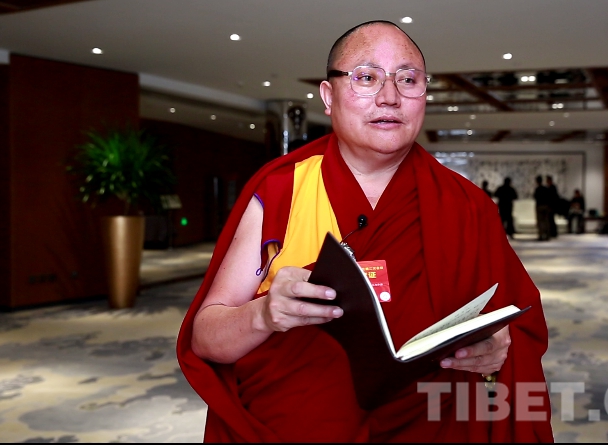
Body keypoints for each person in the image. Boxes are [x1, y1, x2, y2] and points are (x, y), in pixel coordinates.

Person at [177, 21, 552, 443]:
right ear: (328, 95)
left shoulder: (465, 205)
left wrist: (498, 350)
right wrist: (262, 314)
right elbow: (206, 338)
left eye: (408, 80)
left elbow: (517, 330)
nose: (390, 96)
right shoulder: (282, 190)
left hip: (429, 426)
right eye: (367, 77)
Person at [534, 175, 551, 241]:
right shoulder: (545, 189)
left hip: (539, 206)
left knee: (540, 222)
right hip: (546, 206)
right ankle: (547, 235)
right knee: (546, 221)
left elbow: (535, 197)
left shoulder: (537, 189)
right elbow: (549, 197)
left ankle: (541, 235)